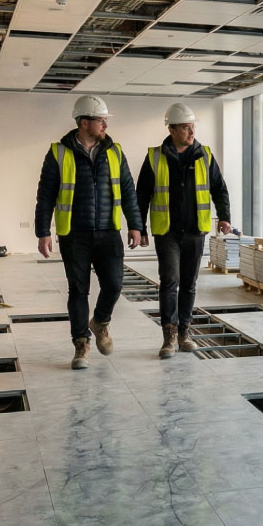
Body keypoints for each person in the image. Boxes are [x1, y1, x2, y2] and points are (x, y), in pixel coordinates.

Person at [35, 95, 143, 370]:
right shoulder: (59, 152)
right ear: (84, 123)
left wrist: (136, 225)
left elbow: (129, 191)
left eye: (105, 120)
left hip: (108, 231)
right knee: (78, 291)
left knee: (115, 285)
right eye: (100, 120)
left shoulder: (115, 152)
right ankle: (81, 343)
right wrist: (42, 231)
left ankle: (100, 322)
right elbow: (46, 195)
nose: (105, 124)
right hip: (75, 233)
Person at [137, 103, 231, 360]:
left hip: (195, 231)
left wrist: (224, 217)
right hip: (166, 232)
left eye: (193, 127)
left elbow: (219, 189)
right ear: (172, 129)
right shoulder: (155, 156)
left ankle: (184, 333)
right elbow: (142, 194)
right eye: (186, 127)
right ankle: (168, 335)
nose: (192, 132)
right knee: (169, 282)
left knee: (189, 285)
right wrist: (139, 227)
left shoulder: (205, 155)